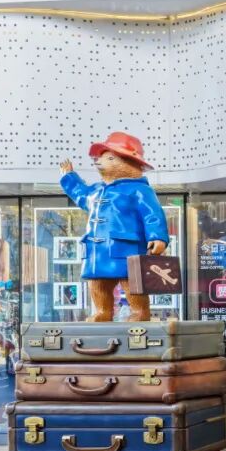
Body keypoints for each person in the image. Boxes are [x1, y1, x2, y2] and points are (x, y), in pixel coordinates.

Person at [58, 132, 169, 322]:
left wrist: (157, 237)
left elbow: (153, 214)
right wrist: (69, 177)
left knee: (132, 281)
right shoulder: (96, 191)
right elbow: (81, 195)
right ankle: (103, 311)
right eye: (101, 158)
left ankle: (140, 312)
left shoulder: (140, 190)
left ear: (130, 163)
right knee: (98, 282)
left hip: (126, 248)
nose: (100, 162)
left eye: (110, 158)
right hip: (98, 251)